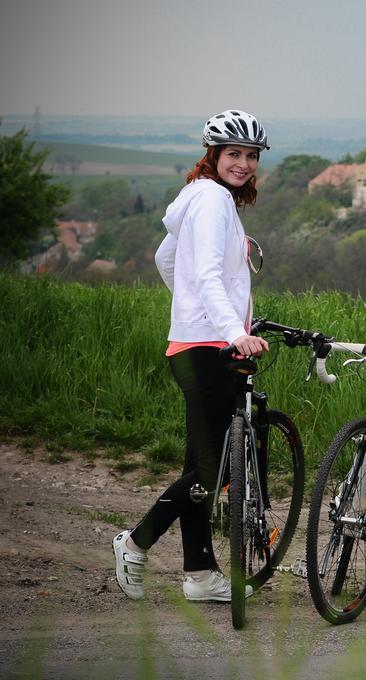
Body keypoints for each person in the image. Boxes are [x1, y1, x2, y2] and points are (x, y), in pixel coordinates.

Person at [112, 109, 271, 603]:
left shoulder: (202, 199)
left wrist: (192, 313)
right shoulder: (211, 200)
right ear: (213, 156)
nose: (243, 164)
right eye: (233, 154)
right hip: (209, 346)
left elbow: (167, 259)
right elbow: (202, 273)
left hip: (200, 339)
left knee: (202, 463)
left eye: (250, 156)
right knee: (213, 471)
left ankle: (200, 575)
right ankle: (135, 541)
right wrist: (228, 329)